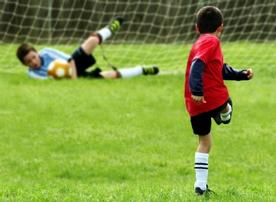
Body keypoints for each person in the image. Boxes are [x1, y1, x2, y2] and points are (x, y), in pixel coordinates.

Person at [184, 6, 253, 195]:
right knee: (227, 106)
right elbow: (197, 64)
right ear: (221, 27)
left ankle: (200, 186)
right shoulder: (211, 41)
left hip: (194, 104)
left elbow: (219, 69)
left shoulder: (199, 42)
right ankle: (224, 113)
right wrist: (197, 89)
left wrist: (240, 75)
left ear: (196, 27)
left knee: (205, 142)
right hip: (211, 97)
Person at [16, 17, 159, 79]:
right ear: (24, 65)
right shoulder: (32, 74)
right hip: (67, 78)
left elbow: (70, 60)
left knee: (91, 41)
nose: (33, 62)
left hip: (73, 65)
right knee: (110, 76)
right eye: (29, 62)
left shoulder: (46, 52)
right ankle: (142, 70)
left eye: (33, 57)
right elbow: (47, 82)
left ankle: (110, 28)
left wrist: (73, 80)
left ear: (36, 52)